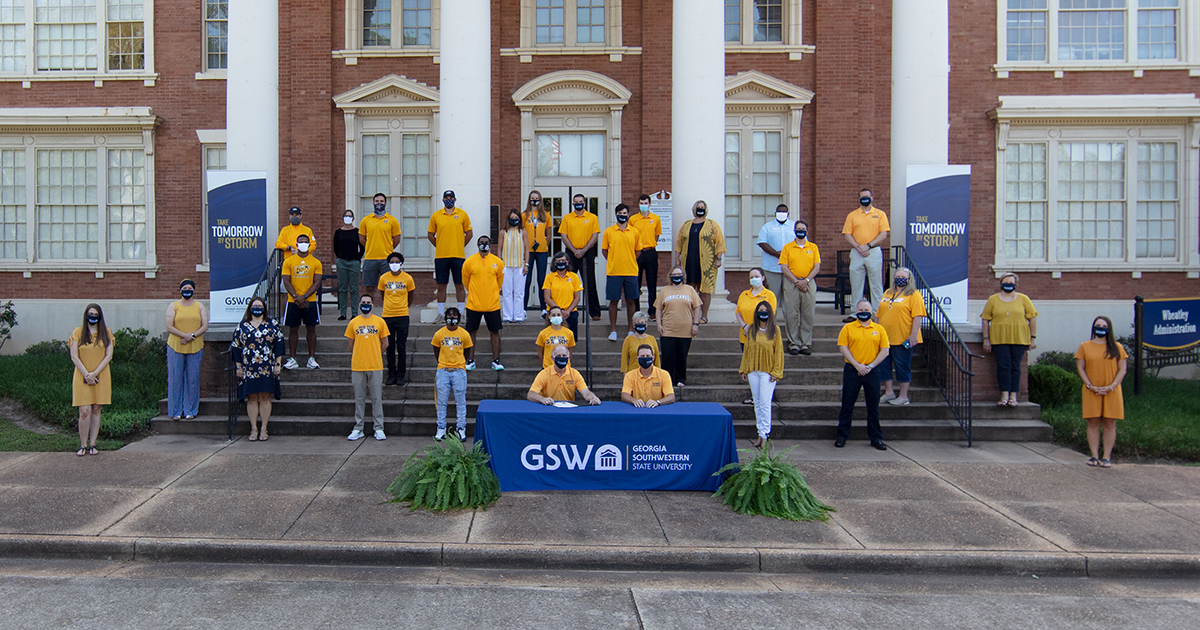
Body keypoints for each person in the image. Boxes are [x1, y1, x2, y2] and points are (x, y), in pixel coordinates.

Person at [835, 299, 890, 450]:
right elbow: (843, 348)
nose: (863, 312)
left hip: (872, 371)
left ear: (871, 312)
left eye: (866, 310)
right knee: (847, 404)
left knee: (873, 406)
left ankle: (876, 438)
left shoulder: (879, 329)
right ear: (856, 312)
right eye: (860, 310)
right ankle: (842, 436)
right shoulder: (848, 328)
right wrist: (857, 365)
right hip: (853, 370)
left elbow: (885, 351)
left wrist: (870, 366)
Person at [1075, 316, 1127, 468]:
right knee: (1093, 422)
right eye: (1098, 325)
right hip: (1092, 390)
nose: (1101, 328)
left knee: (1110, 422)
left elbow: (1122, 369)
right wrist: (1089, 385)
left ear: (1109, 328)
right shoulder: (1085, 346)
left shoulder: (1117, 347)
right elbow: (1080, 368)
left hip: (1112, 390)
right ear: (1093, 327)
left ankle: (1106, 457)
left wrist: (1112, 386)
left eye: (1104, 326)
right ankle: (1094, 456)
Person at [231, 296, 284, 441]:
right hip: (249, 367)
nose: (257, 308)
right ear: (249, 308)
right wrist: (238, 366)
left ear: (264, 308)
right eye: (254, 306)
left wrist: (278, 364)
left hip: (267, 366)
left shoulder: (272, 324)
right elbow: (236, 346)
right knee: (252, 397)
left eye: (260, 306)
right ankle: (253, 428)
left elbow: (279, 344)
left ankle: (264, 429)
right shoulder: (242, 325)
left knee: (265, 397)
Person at [981, 272, 1038, 407]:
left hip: (1019, 338)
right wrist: (986, 339)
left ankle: (1014, 396)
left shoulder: (1023, 299)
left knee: (1015, 366)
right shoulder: (993, 299)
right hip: (999, 338)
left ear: (1016, 284)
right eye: (1006, 282)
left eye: (1011, 282)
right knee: (1003, 366)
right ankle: (1004, 395)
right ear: (1001, 283)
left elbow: (1033, 318)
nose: (1008, 284)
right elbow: (985, 319)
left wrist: (1033, 338)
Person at [69, 304, 113, 456]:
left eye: (95, 314)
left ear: (100, 316)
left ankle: (93, 444)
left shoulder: (106, 332)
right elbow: (74, 356)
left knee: (96, 408)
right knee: (84, 411)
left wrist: (95, 374)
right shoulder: (78, 332)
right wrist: (87, 375)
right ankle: (83, 444)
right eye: (90, 313)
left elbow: (109, 355)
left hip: (101, 375)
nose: (92, 316)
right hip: (82, 376)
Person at [877, 267, 926, 406]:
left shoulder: (914, 295)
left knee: (902, 366)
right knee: (884, 365)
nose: (900, 278)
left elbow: (917, 316)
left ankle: (903, 396)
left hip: (903, 338)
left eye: (903, 276)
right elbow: (879, 314)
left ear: (909, 279)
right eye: (898, 276)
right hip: (886, 337)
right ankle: (889, 392)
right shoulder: (887, 292)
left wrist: (913, 335)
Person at [740, 301, 785, 448]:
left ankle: (765, 435)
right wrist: (744, 369)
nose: (763, 312)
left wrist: (776, 372)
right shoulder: (752, 329)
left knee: (765, 404)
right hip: (753, 371)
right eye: (760, 310)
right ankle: (760, 433)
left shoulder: (775, 330)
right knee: (757, 404)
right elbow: (747, 350)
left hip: (768, 372)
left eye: (765, 310)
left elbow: (779, 352)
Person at [345, 295, 390, 441]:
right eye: (363, 302)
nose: (365, 304)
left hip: (375, 365)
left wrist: (375, 353)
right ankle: (359, 428)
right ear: (359, 304)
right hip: (358, 365)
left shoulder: (379, 321)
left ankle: (379, 427)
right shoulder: (353, 323)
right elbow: (351, 345)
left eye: (368, 302)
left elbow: (385, 343)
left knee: (376, 398)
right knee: (359, 398)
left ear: (372, 304)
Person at [674, 200, 725, 324]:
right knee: (689, 288)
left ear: (705, 209)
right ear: (694, 209)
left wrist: (719, 258)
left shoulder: (712, 224)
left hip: (707, 263)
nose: (700, 209)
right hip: (689, 261)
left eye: (702, 207)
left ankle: (704, 316)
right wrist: (677, 259)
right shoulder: (686, 225)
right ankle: (689, 316)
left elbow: (719, 242)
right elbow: (679, 242)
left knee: (705, 290)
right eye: (698, 207)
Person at [602, 203, 647, 341]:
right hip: (614, 272)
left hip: (631, 271)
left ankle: (630, 329)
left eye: (625, 213)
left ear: (628, 215)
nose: (622, 215)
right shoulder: (609, 231)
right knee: (614, 301)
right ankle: (613, 330)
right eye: (620, 213)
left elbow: (638, 251)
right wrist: (614, 260)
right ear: (616, 215)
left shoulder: (634, 232)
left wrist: (628, 260)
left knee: (631, 301)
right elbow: (604, 250)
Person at [842, 188, 890, 316]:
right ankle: (855, 312)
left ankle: (877, 312)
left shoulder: (880, 214)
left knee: (876, 284)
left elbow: (884, 233)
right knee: (856, 284)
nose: (865, 199)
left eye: (867, 196)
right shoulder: (852, 215)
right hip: (857, 252)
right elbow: (847, 234)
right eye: (862, 196)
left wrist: (868, 246)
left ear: (872, 198)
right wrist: (859, 247)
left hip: (873, 251)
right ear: (859, 199)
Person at [165, 279, 208, 420]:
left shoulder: (200, 306)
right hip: (176, 346)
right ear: (180, 290)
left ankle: (190, 410)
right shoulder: (174, 306)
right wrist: (184, 336)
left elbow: (204, 325)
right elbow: (169, 326)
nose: (187, 290)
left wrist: (192, 336)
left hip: (195, 346)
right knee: (175, 379)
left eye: (190, 288)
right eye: (184, 287)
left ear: (194, 290)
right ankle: (175, 411)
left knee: (193, 379)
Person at [428, 190, 473, 322]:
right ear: (443, 200)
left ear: (455, 199)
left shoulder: (462, 214)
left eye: (451, 198)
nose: (449, 200)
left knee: (460, 284)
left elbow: (469, 233)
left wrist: (460, 245)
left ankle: (460, 313)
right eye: (446, 198)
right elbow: (430, 234)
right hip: (441, 256)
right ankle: (441, 313)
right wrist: (440, 245)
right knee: (442, 285)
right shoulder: (436, 216)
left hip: (458, 256)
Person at [462, 235, 505, 371]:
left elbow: (500, 281)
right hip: (474, 303)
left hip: (492, 304)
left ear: (490, 245)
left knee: (494, 332)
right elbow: (465, 281)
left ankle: (496, 360)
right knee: (471, 332)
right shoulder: (469, 262)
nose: (484, 245)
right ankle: (470, 359)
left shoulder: (497, 262)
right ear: (477, 244)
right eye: (481, 243)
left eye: (486, 243)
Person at [654, 265, 702, 388]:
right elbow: (658, 309)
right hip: (668, 329)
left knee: (682, 356)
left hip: (685, 330)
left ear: (683, 276)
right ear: (670, 276)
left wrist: (695, 324)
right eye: (674, 275)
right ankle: (667, 381)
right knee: (668, 357)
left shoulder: (690, 289)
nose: (677, 277)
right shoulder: (665, 290)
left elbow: (696, 307)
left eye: (679, 274)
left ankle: (680, 379)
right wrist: (659, 324)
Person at [779, 220, 821, 355]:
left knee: (807, 314)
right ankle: (794, 343)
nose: (801, 231)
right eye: (798, 228)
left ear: (807, 232)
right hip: (792, 282)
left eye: (803, 229)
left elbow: (817, 266)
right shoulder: (787, 247)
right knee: (791, 314)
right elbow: (784, 267)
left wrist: (806, 280)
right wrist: (797, 281)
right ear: (794, 231)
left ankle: (805, 343)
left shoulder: (813, 247)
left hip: (809, 282)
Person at [280, 234, 323, 370]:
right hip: (293, 302)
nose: (303, 244)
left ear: (309, 245)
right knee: (293, 330)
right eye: (301, 242)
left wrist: (304, 296)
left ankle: (311, 358)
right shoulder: (289, 262)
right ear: (297, 245)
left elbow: (317, 282)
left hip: (310, 301)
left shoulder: (316, 262)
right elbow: (286, 281)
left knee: (311, 329)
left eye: (306, 242)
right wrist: (296, 296)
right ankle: (292, 359)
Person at [735, 268, 777, 405]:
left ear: (763, 278)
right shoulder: (744, 294)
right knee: (751, 367)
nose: (754, 278)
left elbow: (770, 314)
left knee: (762, 367)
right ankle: (755, 396)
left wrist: (756, 329)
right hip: (746, 336)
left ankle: (765, 396)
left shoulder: (769, 295)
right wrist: (745, 326)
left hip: (763, 338)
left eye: (756, 276)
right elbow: (738, 313)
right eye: (751, 276)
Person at [558, 193, 601, 320]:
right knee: (568, 281)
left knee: (590, 283)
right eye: (576, 201)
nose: (578, 203)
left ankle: (595, 312)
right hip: (571, 253)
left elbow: (595, 236)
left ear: (584, 203)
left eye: (581, 201)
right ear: (572, 204)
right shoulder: (567, 218)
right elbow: (563, 236)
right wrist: (574, 250)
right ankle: (567, 309)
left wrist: (583, 250)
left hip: (587, 252)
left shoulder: (592, 217)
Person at [431, 307, 472, 441]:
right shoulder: (439, 334)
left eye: (455, 316)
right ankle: (441, 427)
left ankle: (461, 428)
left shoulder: (464, 334)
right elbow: (436, 350)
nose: (452, 318)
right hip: (443, 370)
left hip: (459, 371)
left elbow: (467, 351)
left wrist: (460, 364)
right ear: (445, 317)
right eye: (450, 315)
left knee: (460, 401)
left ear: (459, 318)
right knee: (442, 402)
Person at [757, 204, 795, 345]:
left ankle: (792, 337)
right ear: (775, 212)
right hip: (771, 267)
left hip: (791, 270)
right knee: (771, 301)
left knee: (789, 303)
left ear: (788, 213)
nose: (782, 213)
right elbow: (762, 243)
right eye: (779, 211)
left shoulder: (794, 226)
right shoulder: (767, 227)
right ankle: (768, 332)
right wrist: (778, 254)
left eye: (784, 211)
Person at [377, 252, 415, 386]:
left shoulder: (408, 278)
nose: (394, 264)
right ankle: (391, 374)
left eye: (396, 262)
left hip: (403, 315)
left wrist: (405, 306)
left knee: (401, 346)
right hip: (387, 316)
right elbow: (382, 294)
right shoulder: (383, 278)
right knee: (390, 346)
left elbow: (411, 295)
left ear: (401, 263)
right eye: (391, 262)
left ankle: (401, 375)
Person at [359, 192, 402, 303]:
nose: (379, 203)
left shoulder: (392, 220)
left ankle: (387, 311)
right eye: (377, 201)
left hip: (386, 259)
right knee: (369, 288)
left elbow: (396, 239)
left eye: (381, 201)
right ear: (373, 203)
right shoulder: (366, 220)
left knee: (388, 287)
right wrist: (370, 247)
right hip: (370, 258)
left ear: (386, 203)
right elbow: (362, 239)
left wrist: (387, 248)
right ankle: (368, 311)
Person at [527, 345, 601, 405]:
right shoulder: (544, 374)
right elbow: (531, 394)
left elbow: (586, 392)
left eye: (564, 355)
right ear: (553, 358)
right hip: (549, 408)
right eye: (559, 355)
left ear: (568, 358)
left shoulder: (575, 374)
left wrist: (593, 398)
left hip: (568, 409)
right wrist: (542, 399)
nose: (562, 358)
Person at [630, 194, 663, 321]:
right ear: (638, 204)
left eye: (645, 203)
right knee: (636, 283)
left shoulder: (655, 218)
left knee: (651, 282)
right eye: (641, 203)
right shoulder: (633, 219)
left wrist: (650, 245)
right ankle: (637, 311)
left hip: (651, 252)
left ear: (649, 204)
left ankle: (652, 311)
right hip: (637, 253)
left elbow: (657, 236)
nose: (643, 205)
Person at [522, 190, 551, 315]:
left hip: (541, 251)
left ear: (540, 200)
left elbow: (549, 234)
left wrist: (545, 244)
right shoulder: (524, 215)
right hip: (528, 251)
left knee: (541, 280)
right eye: (532, 198)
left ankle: (543, 308)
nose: (534, 200)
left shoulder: (545, 215)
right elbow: (521, 233)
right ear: (529, 200)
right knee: (526, 280)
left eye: (537, 198)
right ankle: (523, 308)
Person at [333, 208, 364, 321]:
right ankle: (343, 313)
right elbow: (335, 247)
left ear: (353, 218)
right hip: (341, 261)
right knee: (342, 288)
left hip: (354, 262)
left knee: (354, 288)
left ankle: (355, 313)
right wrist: (340, 257)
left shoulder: (357, 231)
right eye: (346, 216)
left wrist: (357, 258)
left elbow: (362, 247)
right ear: (343, 218)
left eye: (350, 216)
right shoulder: (338, 232)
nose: (348, 218)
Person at [543, 251, 584, 337]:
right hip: (554, 313)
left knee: (570, 340)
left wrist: (567, 311)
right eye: (558, 261)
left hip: (570, 313)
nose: (560, 263)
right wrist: (559, 311)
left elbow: (577, 298)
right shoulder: (549, 277)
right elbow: (547, 298)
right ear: (554, 263)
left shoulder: (574, 277)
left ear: (567, 262)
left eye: (563, 260)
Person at [499, 208, 529, 323]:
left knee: (519, 292)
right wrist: (500, 264)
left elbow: (527, 249)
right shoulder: (503, 232)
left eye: (516, 218)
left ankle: (518, 315)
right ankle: (507, 315)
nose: (514, 220)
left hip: (519, 265)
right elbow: (500, 249)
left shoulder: (523, 232)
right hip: (506, 265)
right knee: (506, 291)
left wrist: (526, 264)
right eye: (512, 218)